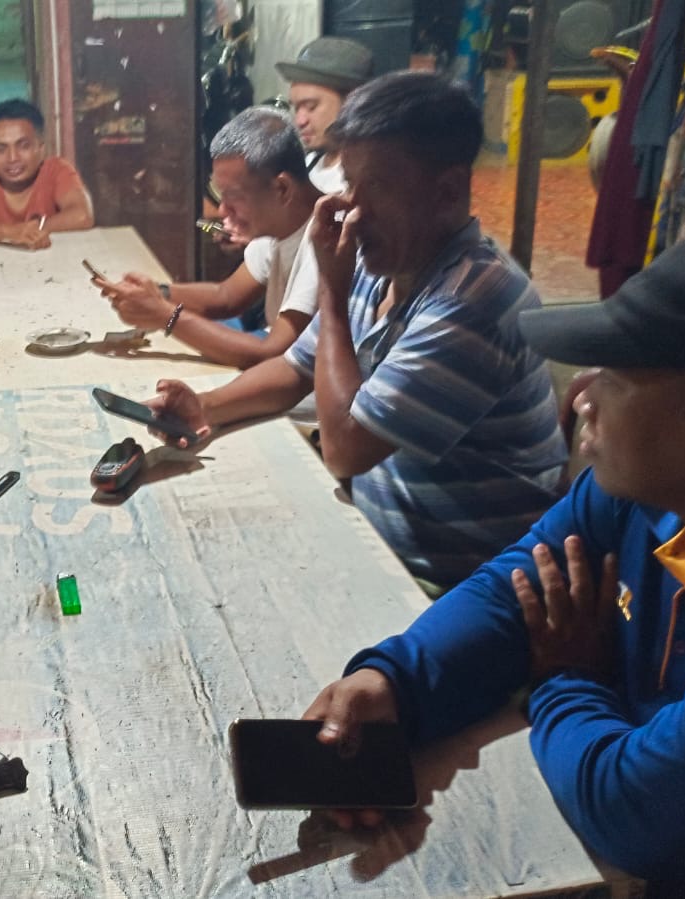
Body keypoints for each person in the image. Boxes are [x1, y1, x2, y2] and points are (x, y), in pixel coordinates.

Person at [303, 236, 685, 895]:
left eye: (614, 375)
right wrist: (394, 682)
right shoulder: (660, 485)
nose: (579, 395)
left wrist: (564, 678)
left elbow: (636, 811)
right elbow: (520, 584)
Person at [149, 72, 566, 592]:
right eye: (349, 182)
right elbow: (295, 367)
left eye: (381, 187)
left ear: (447, 190)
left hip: (460, 583)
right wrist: (205, 407)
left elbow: (346, 449)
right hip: (374, 538)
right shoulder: (383, 260)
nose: (354, 210)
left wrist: (331, 291)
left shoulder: (476, 296)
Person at [95, 107, 323, 369]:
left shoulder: (326, 239)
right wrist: (156, 293)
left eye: (233, 196)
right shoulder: (278, 223)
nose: (222, 210)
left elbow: (273, 354)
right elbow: (226, 296)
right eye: (219, 194)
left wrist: (164, 316)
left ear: (281, 188)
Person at [0, 98, 95, 249]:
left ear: (41, 148)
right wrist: (10, 232)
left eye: (23, 146)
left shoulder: (57, 170)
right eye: (1, 149)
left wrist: (31, 231)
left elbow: (81, 215)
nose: (12, 158)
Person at [275, 36, 376, 196]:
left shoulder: (371, 177)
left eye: (311, 107)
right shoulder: (306, 165)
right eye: (296, 108)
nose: (299, 121)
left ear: (352, 102)